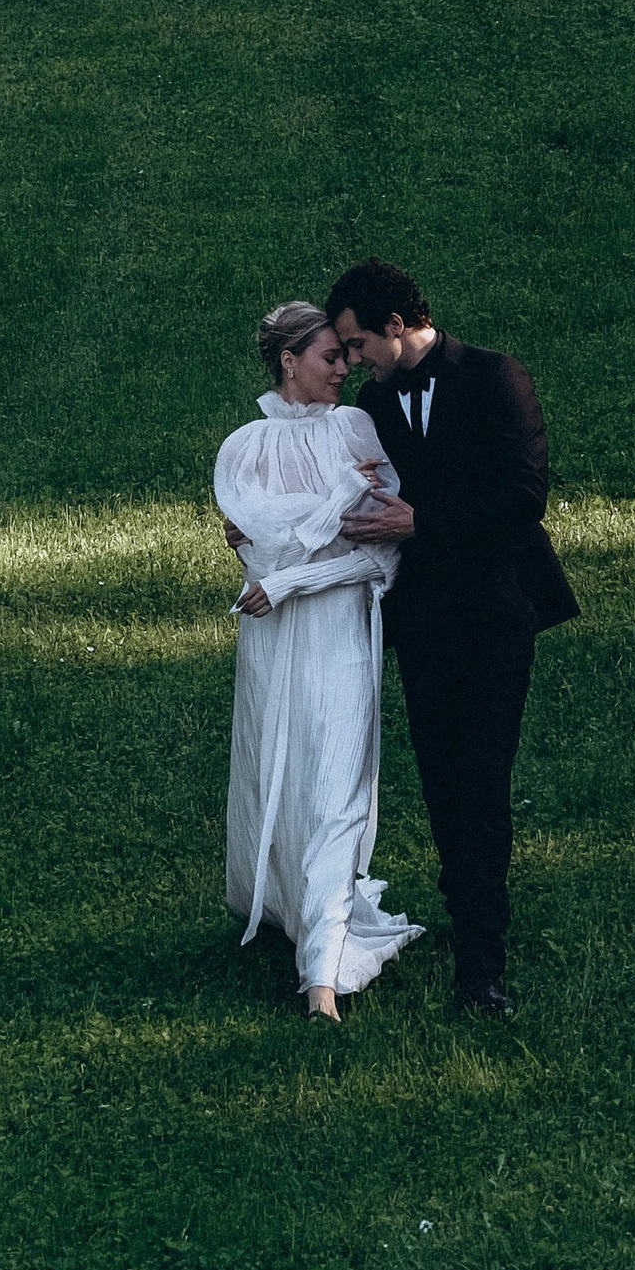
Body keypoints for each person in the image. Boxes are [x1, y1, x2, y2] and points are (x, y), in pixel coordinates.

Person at [323, 257, 576, 1020]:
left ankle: (482, 962)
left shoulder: (496, 377)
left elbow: (523, 496)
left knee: (483, 778)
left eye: (359, 341)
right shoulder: (374, 404)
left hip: (498, 612)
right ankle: (463, 897)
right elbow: (342, 493)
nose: (354, 358)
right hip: (425, 619)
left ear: (397, 325)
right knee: (441, 779)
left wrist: (424, 521)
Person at [214, 300, 423, 1022]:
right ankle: (293, 909)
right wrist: (313, 525)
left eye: (346, 354)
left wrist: (292, 576)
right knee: (288, 773)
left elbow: (381, 556)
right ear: (289, 360)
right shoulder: (244, 448)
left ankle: (321, 978)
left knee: (336, 782)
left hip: (337, 632)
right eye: (331, 357)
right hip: (272, 640)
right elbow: (259, 544)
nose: (345, 368)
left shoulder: (359, 429)